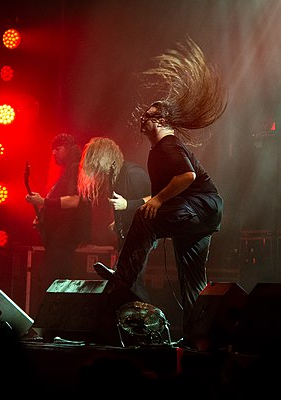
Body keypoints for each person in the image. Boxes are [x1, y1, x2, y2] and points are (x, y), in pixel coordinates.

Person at [93, 38, 228, 333]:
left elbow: (187, 177)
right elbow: (160, 194)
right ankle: (198, 337)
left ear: (162, 120)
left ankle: (125, 276)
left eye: (150, 114)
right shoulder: (161, 150)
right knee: (192, 280)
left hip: (198, 207)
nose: (144, 118)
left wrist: (153, 203)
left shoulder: (167, 145)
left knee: (146, 218)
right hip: (204, 214)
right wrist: (150, 202)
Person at [77, 136, 152, 302]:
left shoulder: (133, 173)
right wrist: (118, 220)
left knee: (133, 283)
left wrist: (127, 205)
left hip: (142, 237)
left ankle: (145, 318)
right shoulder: (116, 177)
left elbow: (155, 198)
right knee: (125, 282)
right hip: (128, 237)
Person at [25, 133, 91, 311]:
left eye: (58, 148)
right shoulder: (67, 170)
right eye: (53, 149)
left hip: (64, 240)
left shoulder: (76, 168)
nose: (54, 153)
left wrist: (43, 202)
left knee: (50, 279)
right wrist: (43, 216)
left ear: (68, 149)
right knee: (52, 280)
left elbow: (75, 200)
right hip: (59, 238)